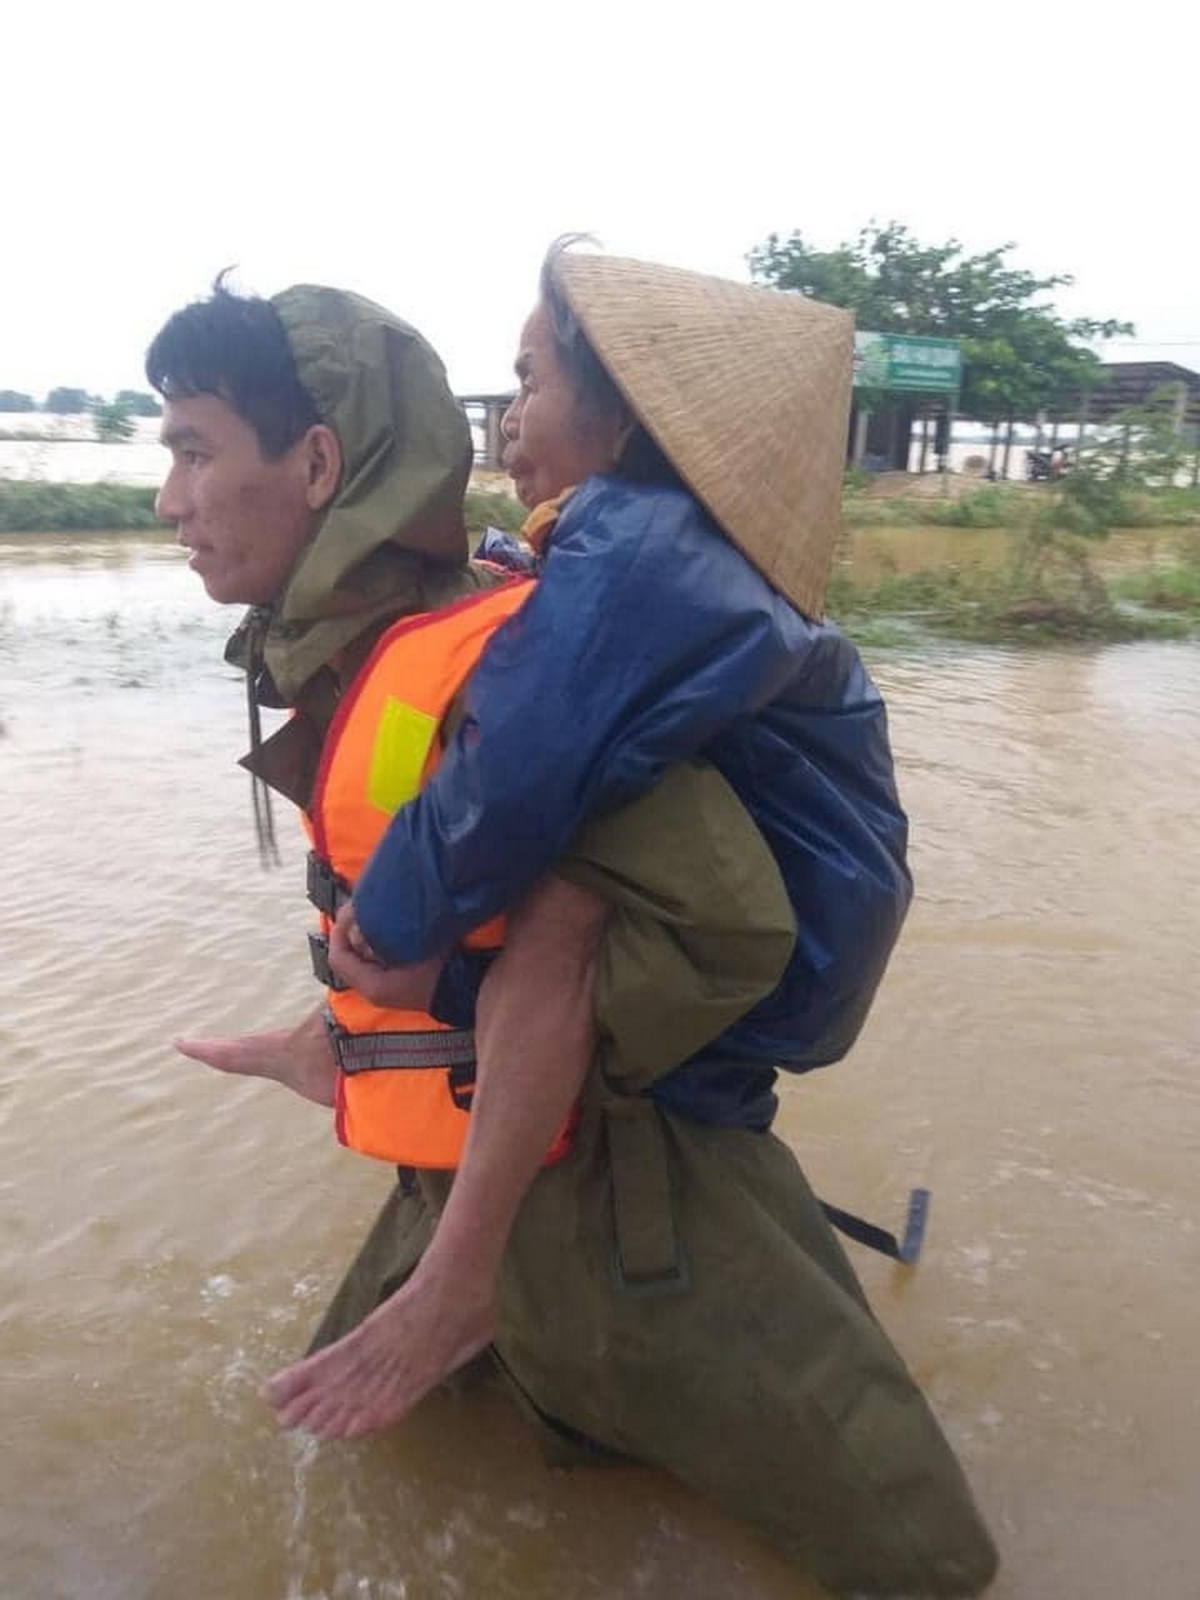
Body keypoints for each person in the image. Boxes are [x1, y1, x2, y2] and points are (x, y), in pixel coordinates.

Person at [151, 263, 997, 1596]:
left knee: (931, 1571)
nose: (168, 498)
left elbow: (699, 918)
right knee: (366, 1465)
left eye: (194, 450)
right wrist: (341, 1041)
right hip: (466, 1155)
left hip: (613, 1192)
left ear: (318, 461)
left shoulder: (520, 651)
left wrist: (465, 1266)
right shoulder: (407, 642)